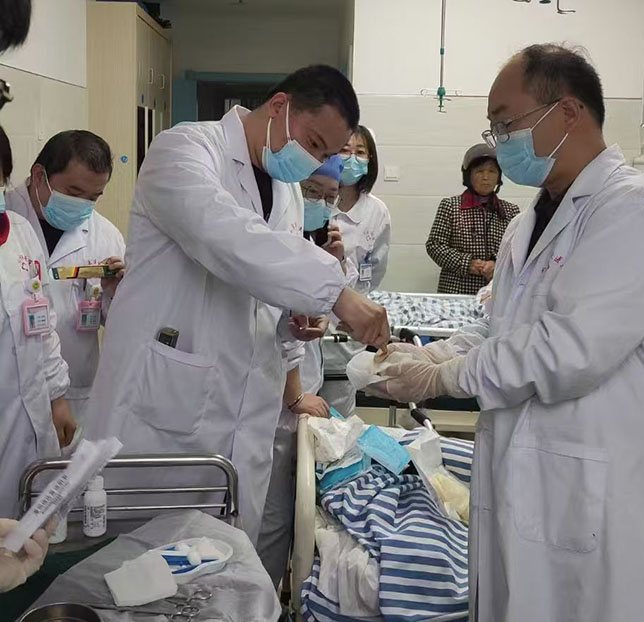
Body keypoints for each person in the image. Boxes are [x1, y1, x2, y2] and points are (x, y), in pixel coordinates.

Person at [374, 44, 644, 621]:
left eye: (506, 124)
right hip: (525, 475)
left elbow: (566, 350)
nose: (499, 142)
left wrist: (443, 377)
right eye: (493, 128)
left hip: (601, 494)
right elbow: (503, 326)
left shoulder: (635, 211)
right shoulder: (529, 220)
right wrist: (432, 353)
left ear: (567, 112)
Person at [85, 65, 389, 545]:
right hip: (163, 410)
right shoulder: (184, 150)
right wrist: (335, 293)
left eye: (324, 155)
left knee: (222, 566)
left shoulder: (286, 192)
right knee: (136, 567)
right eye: (313, 143)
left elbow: (262, 289)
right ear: (279, 106)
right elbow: (227, 237)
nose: (313, 161)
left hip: (245, 417)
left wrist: (293, 321)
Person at [257, 155, 356, 590]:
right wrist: (294, 395)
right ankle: (260, 598)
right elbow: (276, 326)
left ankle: (270, 590)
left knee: (287, 506)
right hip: (276, 397)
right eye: (312, 191)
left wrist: (333, 265)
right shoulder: (278, 240)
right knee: (271, 513)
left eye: (330, 197)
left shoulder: (319, 241)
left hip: (300, 389)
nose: (320, 203)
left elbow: (316, 316)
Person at [5, 131, 125, 429]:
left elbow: (121, 325)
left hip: (75, 396)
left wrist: (116, 294)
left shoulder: (105, 236)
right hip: (9, 393)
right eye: (73, 192)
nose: (82, 205)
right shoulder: (9, 222)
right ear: (39, 175)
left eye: (93, 198)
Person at [0, 127, 73, 520]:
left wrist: (57, 397)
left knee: (34, 534)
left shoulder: (21, 232)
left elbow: (43, 325)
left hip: (34, 424)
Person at [319, 126, 391, 417]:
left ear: (370, 159)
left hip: (348, 323)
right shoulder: (316, 201)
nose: (351, 158)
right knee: (300, 406)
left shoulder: (376, 211)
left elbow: (376, 270)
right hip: (309, 315)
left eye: (360, 152)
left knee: (337, 413)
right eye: (344, 150)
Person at [426, 144, 519, 295]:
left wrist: (497, 265)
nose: (486, 177)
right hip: (456, 291)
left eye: (492, 171)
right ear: (468, 175)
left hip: (495, 292)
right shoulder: (450, 206)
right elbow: (434, 245)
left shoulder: (511, 211)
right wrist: (467, 263)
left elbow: (517, 251)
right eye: (479, 171)